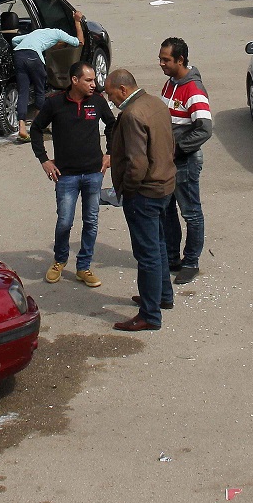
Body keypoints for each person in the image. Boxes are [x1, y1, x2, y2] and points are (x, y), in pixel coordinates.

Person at [32, 61, 116, 290]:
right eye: (88, 80)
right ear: (74, 80)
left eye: (94, 80)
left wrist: (109, 153)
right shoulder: (55, 103)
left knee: (91, 221)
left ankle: (83, 266)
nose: (94, 84)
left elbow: (112, 125)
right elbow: (36, 128)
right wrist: (44, 160)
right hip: (66, 176)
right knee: (65, 221)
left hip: (93, 173)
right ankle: (59, 260)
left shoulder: (97, 101)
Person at [105, 68, 177, 332]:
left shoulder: (133, 115)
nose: (111, 100)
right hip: (165, 187)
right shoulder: (156, 103)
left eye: (111, 95)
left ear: (123, 90)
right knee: (158, 246)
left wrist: (127, 189)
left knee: (147, 254)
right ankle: (162, 297)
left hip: (144, 193)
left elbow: (136, 162)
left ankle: (150, 314)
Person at [158, 38, 212, 285]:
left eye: (166, 60)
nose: (162, 64)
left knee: (191, 213)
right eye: (161, 59)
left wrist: (178, 149)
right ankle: (171, 257)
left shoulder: (193, 90)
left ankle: (190, 262)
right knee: (167, 210)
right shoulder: (171, 84)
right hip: (168, 161)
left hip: (184, 162)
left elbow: (204, 130)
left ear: (180, 60)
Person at [11, 9, 85, 142]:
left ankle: (21, 128)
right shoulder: (58, 33)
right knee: (41, 90)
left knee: (23, 91)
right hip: (33, 57)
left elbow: (15, 40)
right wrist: (77, 21)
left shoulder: (36, 32)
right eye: (60, 46)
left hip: (18, 55)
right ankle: (37, 124)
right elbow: (79, 42)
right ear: (59, 41)